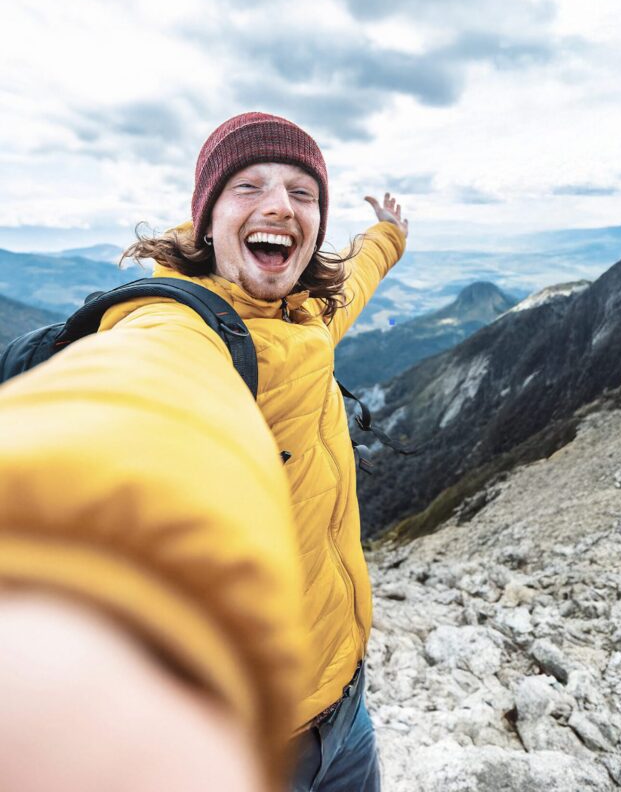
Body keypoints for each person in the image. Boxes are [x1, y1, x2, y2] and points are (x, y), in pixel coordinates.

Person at [0, 111, 408, 792]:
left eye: (302, 194)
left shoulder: (308, 313)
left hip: (345, 703)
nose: (280, 204)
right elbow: (136, 390)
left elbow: (358, 275)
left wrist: (388, 234)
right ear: (206, 221)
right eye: (247, 187)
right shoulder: (174, 325)